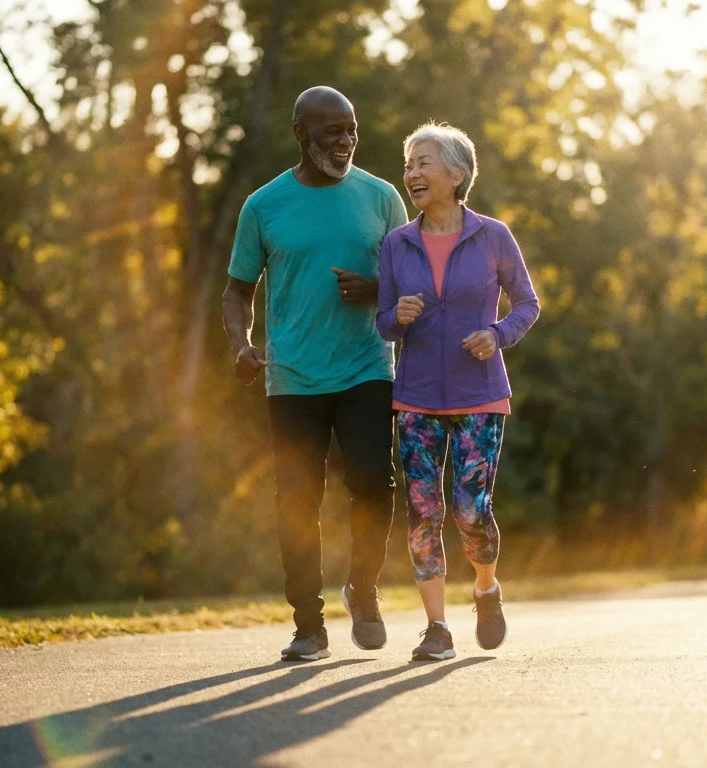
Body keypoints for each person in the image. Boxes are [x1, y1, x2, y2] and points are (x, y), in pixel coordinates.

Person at [222, 86, 408, 662]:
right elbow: (237, 290)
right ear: (301, 134)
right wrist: (241, 344)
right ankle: (308, 625)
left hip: (366, 369)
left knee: (374, 485)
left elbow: (415, 282)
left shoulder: (381, 198)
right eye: (332, 131)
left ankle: (364, 588)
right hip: (294, 378)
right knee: (295, 503)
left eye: (352, 128)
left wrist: (378, 289)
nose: (346, 140)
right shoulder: (263, 205)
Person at [376, 122, 540, 661]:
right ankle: (437, 628)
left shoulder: (493, 236)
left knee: (471, 510)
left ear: (457, 173)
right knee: (424, 510)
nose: (412, 173)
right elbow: (384, 322)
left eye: (424, 162)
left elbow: (526, 304)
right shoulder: (397, 244)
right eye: (409, 164)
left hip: (479, 394)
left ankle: (486, 588)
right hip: (416, 394)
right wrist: (395, 317)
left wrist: (496, 335)